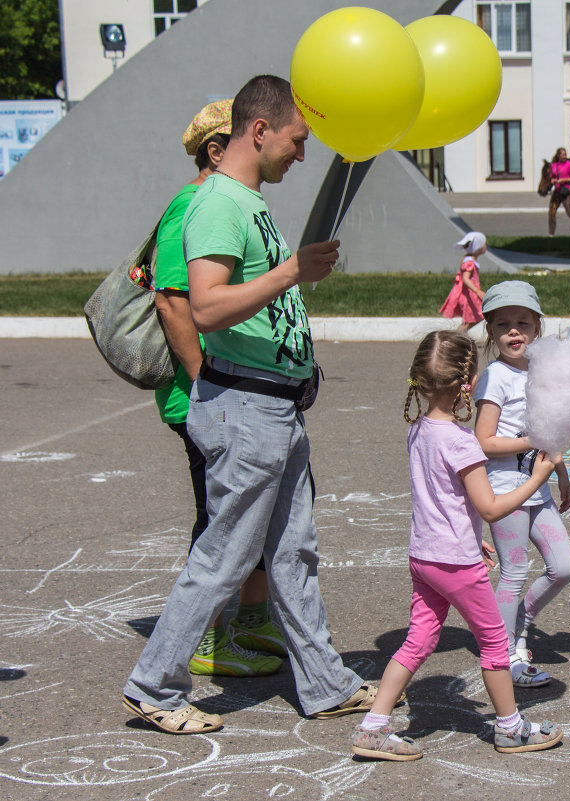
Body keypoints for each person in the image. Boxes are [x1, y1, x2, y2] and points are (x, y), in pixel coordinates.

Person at [123, 75, 379, 735]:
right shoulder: (218, 205)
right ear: (259, 130)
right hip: (247, 408)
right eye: (296, 141)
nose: (301, 155)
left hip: (276, 405)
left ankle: (324, 682)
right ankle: (155, 683)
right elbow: (202, 305)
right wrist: (292, 271)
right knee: (228, 554)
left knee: (293, 552)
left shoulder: (246, 201)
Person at [348, 330, 564, 761]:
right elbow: (489, 506)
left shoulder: (419, 430)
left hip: (424, 555)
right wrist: (538, 479)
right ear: (468, 383)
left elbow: (442, 498)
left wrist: (473, 537)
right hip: (455, 563)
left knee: (418, 640)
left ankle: (372, 726)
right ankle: (510, 727)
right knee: (493, 641)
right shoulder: (462, 442)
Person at [153, 99, 286, 679]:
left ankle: (250, 619)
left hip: (242, 391)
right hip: (209, 395)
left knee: (254, 512)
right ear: (217, 149)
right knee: (222, 519)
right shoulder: (195, 204)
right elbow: (173, 298)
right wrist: (208, 382)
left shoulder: (236, 203)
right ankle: (206, 640)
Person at [473, 281, 570, 688]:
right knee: (514, 572)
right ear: (491, 333)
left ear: (537, 327)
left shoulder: (541, 373)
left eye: (522, 323)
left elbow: (550, 429)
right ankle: (504, 653)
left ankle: (519, 625)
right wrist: (533, 443)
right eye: (503, 325)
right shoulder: (494, 377)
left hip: (538, 487)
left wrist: (561, 469)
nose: (513, 332)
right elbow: (483, 441)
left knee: (564, 567)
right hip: (505, 489)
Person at [439, 231, 486, 332]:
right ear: (478, 247)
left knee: (475, 317)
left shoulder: (468, 260)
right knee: (472, 319)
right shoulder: (470, 262)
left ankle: (460, 336)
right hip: (469, 295)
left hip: (469, 294)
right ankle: (457, 337)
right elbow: (465, 278)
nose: (485, 246)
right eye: (484, 244)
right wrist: (477, 291)